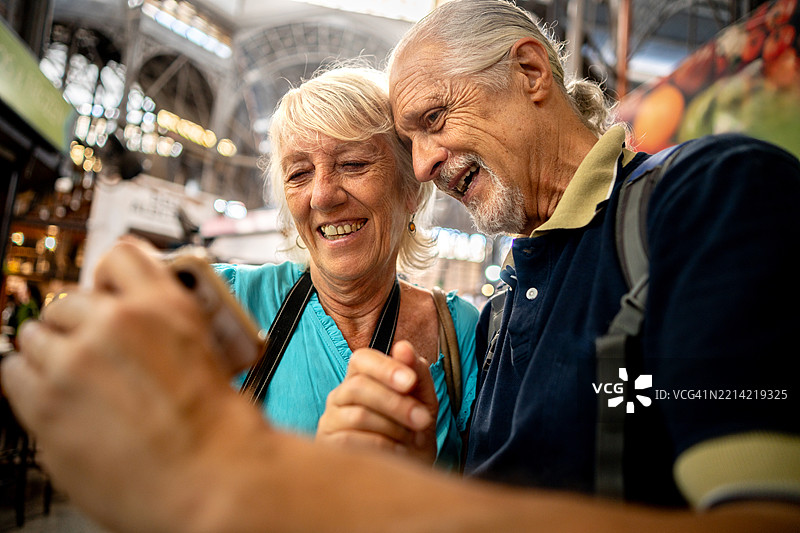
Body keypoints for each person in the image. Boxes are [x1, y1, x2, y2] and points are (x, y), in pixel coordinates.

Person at [1, 0, 799, 531]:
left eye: (432, 121)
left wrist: (236, 471)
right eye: (409, 138)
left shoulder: (703, 196)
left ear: (530, 73)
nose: (422, 165)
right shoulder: (511, 306)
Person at [213, 66, 478, 466]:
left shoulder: (457, 332)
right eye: (299, 173)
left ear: (410, 188)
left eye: (353, 164)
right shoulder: (228, 302)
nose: (321, 196)